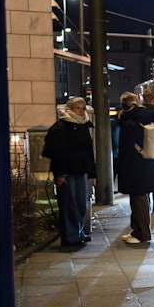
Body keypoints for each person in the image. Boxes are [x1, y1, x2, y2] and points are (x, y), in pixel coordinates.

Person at [44, 96, 96, 247]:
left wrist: (92, 173)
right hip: (67, 172)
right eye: (77, 108)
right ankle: (70, 236)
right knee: (69, 204)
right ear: (70, 109)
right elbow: (56, 152)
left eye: (82, 108)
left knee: (81, 203)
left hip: (80, 171)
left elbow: (88, 151)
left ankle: (78, 232)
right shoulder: (61, 127)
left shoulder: (83, 125)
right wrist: (60, 173)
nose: (81, 111)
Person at [115, 92, 154, 244]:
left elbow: (126, 150)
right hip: (144, 164)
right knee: (139, 198)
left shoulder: (129, 123)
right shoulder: (143, 117)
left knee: (138, 200)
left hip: (134, 166)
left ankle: (142, 234)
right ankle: (136, 231)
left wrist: (121, 169)